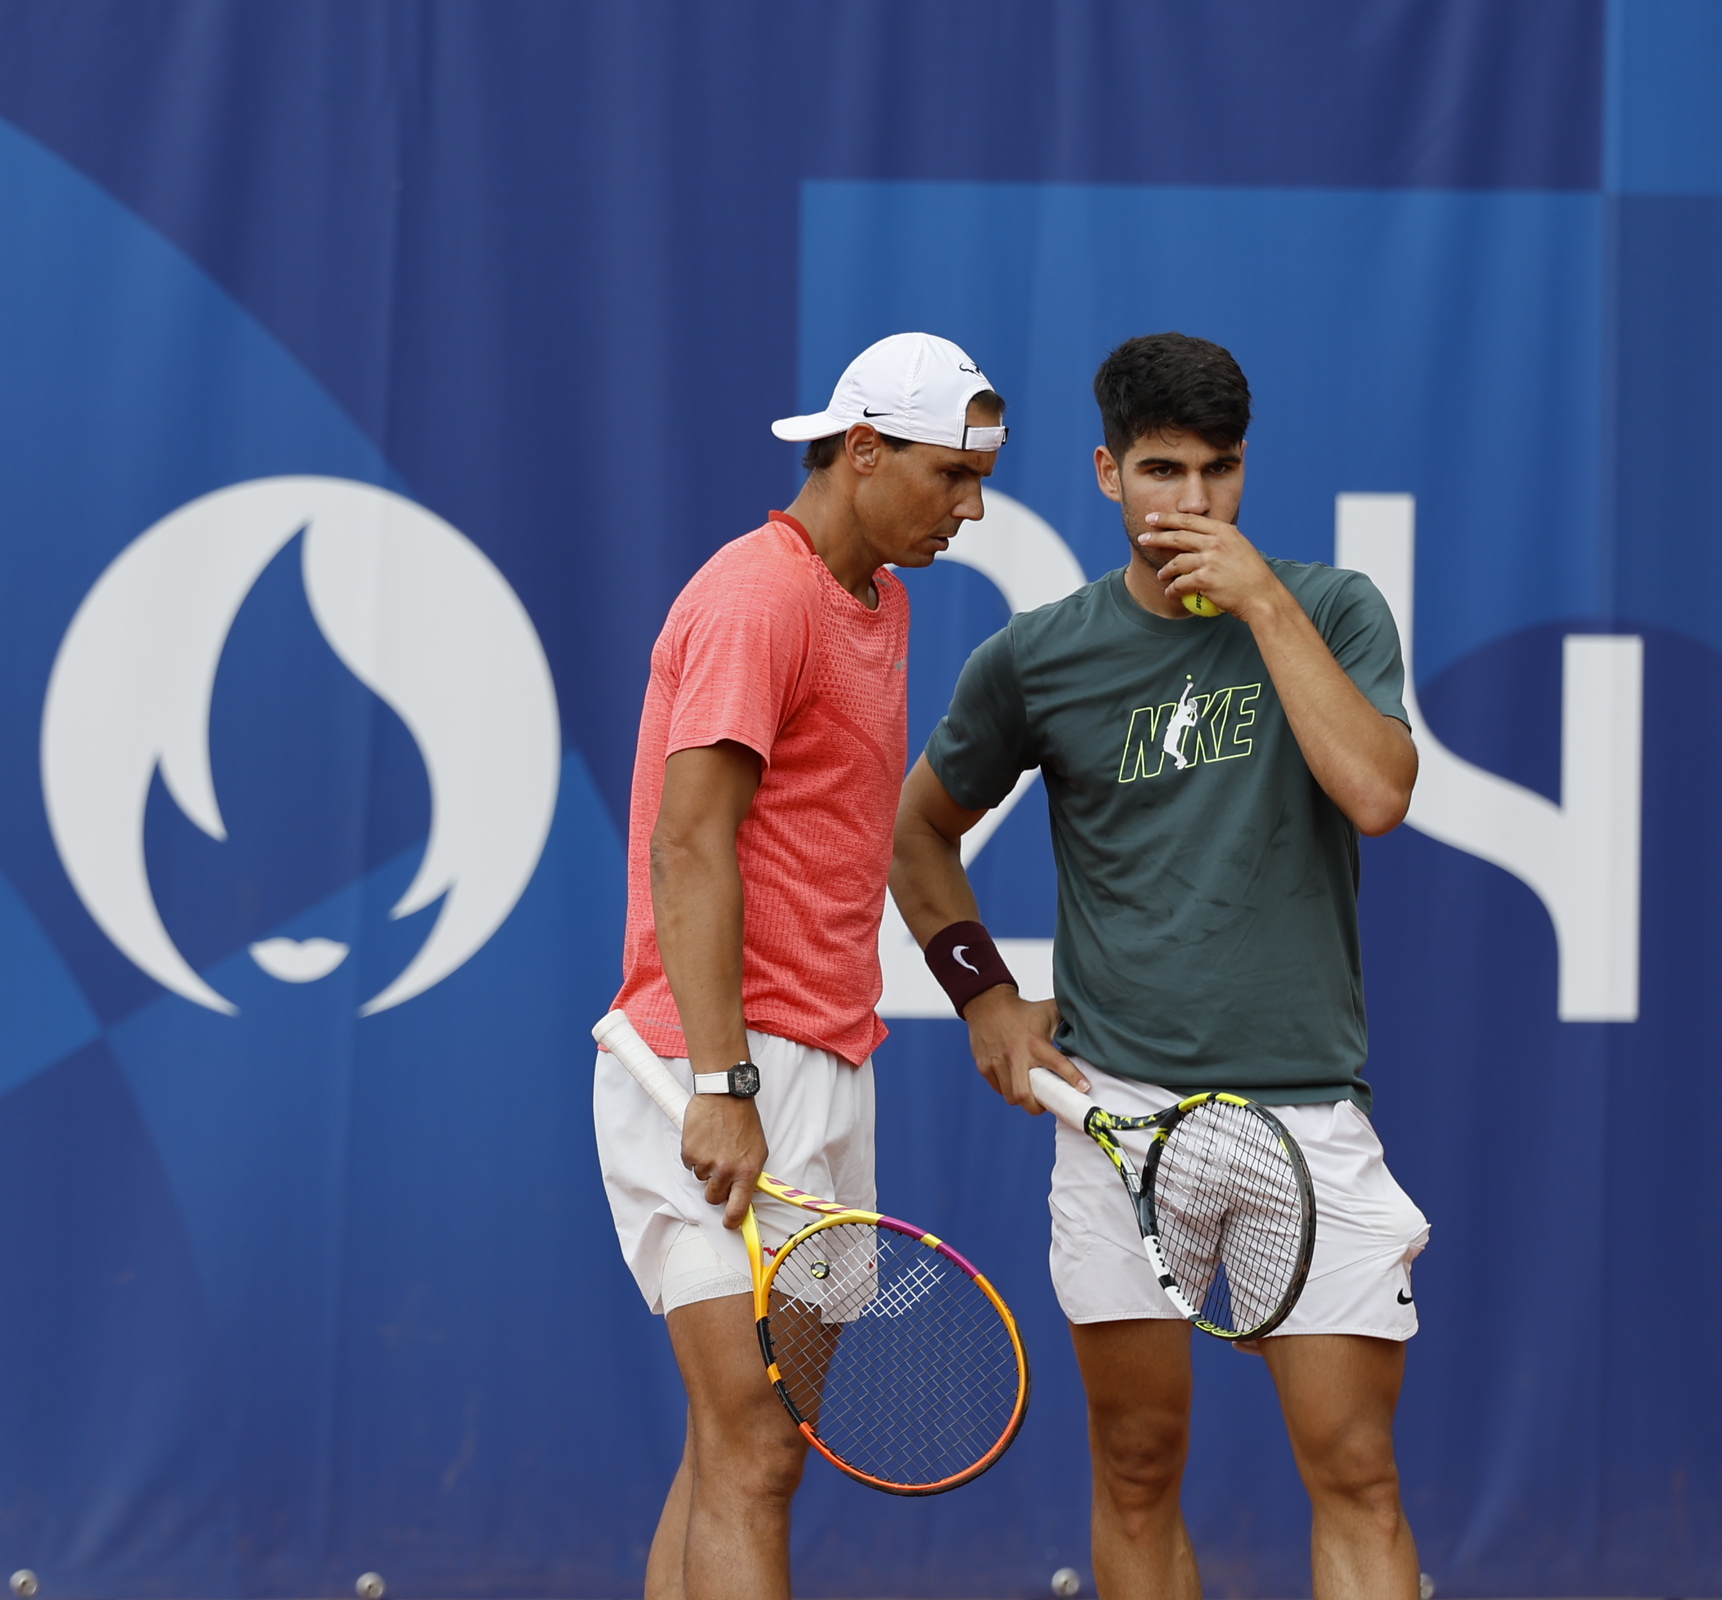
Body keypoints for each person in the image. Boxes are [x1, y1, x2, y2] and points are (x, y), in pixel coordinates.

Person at [889, 332, 1430, 1600]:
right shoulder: (1038, 656)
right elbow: (916, 832)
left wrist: (1259, 601)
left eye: (1219, 471)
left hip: (1308, 1108)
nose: (1189, 503)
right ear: (1105, 472)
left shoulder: (1333, 606)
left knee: (1355, 1469)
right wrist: (985, 996)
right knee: (1136, 1463)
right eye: (1161, 469)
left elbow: (1376, 793)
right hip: (1120, 1112)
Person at [595, 332, 1006, 1600]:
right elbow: (690, 841)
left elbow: (857, 833)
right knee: (758, 1449)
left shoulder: (883, 599)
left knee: (746, 1454)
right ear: (864, 450)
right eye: (950, 474)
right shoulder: (754, 596)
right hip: (708, 1066)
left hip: (827, 1067)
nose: (972, 506)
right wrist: (722, 1081)